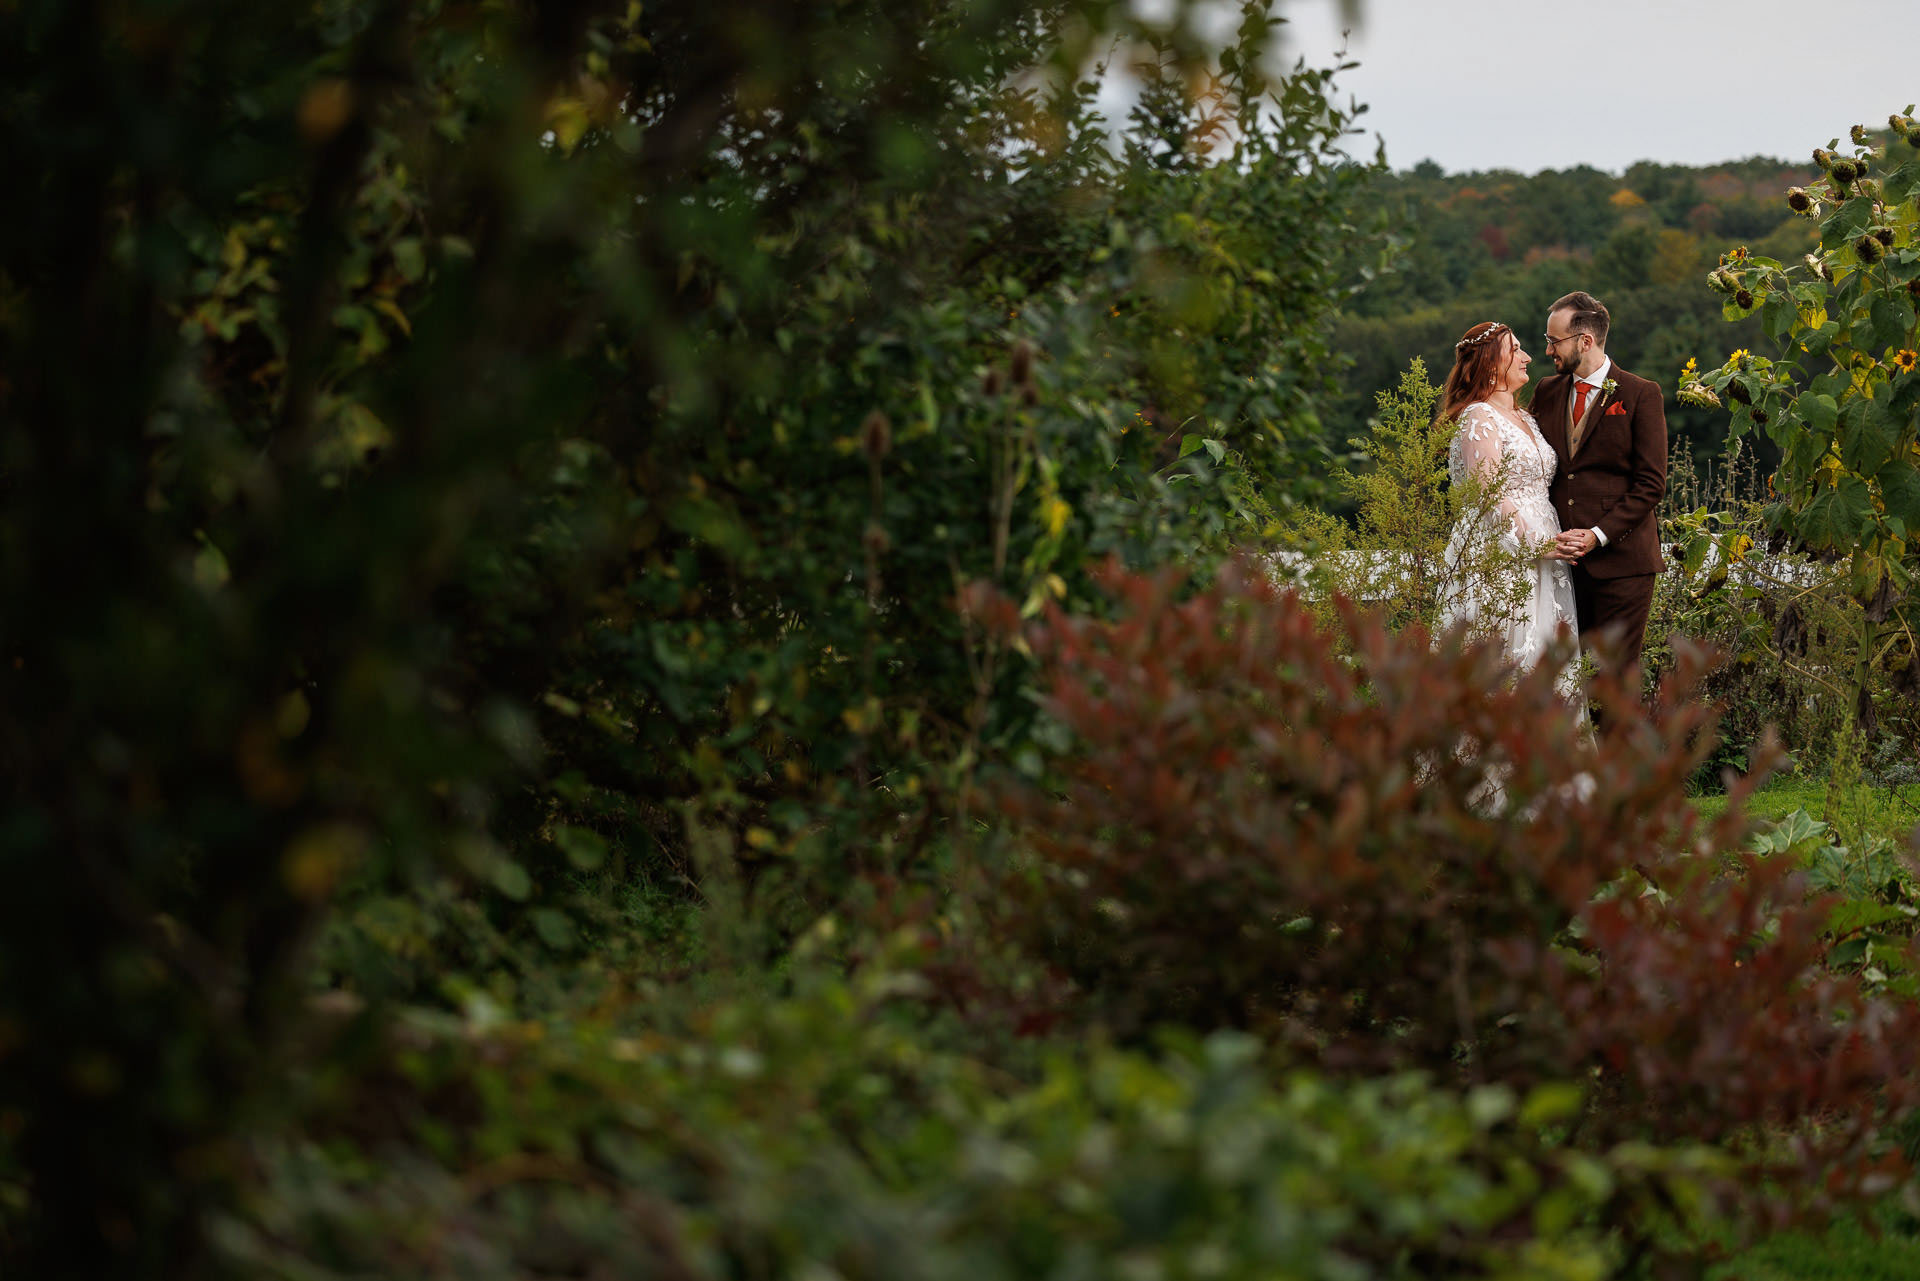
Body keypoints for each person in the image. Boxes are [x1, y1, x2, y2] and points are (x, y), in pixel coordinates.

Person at [1532, 292, 1668, 718]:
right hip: (1561, 566)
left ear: (1585, 341)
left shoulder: (1641, 394)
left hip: (1623, 565)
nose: (1547, 349)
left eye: (1555, 341)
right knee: (1568, 678)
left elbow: (1650, 484)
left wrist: (1597, 535)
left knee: (1613, 682)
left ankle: (1620, 780)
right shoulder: (1548, 391)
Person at [1435, 321, 1580, 681]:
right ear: (1490, 361)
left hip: (1545, 556)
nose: (1528, 357)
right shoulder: (1478, 416)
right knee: (1507, 659)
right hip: (1500, 555)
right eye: (1515, 349)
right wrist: (1537, 543)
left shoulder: (1526, 419)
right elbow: (1488, 494)